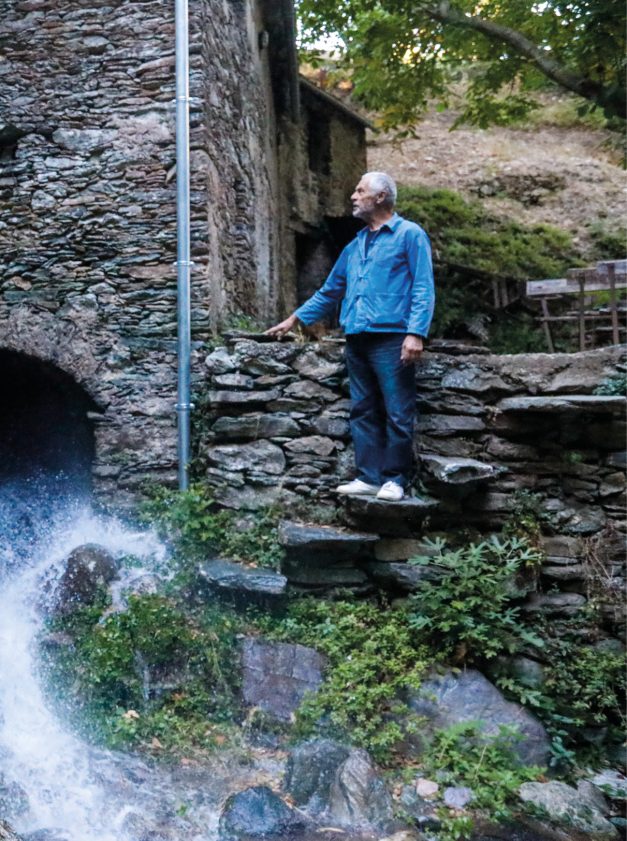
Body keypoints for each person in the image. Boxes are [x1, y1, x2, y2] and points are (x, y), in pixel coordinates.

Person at [266, 171, 435, 501]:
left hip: (392, 337)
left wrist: (416, 333)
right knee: (363, 409)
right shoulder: (355, 245)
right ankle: (369, 477)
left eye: (360, 191)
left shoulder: (409, 235)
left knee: (397, 410)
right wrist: (295, 320)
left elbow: (423, 286)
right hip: (356, 336)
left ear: (381, 197)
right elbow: (330, 291)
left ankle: (395, 480)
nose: (353, 197)